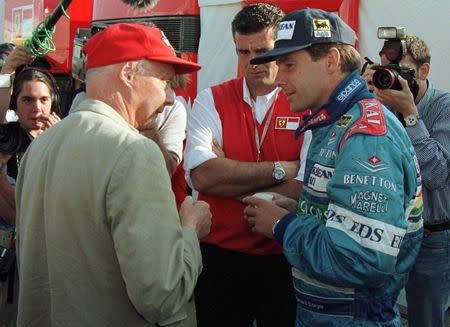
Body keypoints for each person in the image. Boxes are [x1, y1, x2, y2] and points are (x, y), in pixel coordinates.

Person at [15, 23, 211, 327]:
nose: (170, 98)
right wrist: (190, 229)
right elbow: (163, 296)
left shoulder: (41, 147)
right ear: (128, 74)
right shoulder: (134, 152)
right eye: (164, 81)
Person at [243, 8, 424, 326]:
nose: (279, 78)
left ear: (331, 60)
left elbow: (359, 258)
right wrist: (301, 208)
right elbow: (345, 219)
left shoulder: (365, 135)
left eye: (288, 65)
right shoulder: (337, 124)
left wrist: (283, 226)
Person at [184, 4, 311, 326]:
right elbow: (203, 177)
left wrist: (229, 172)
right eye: (243, 52)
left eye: (263, 51)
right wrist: (284, 168)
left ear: (281, 49)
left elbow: (305, 187)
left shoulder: (303, 102)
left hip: (282, 256)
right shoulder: (211, 98)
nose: (253, 62)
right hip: (220, 257)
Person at [367, 35, 450, 327]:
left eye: (398, 69)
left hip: (433, 238)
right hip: (389, 233)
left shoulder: (444, 106)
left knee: (425, 320)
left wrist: (410, 115)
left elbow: (437, 175)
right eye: (385, 68)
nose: (389, 77)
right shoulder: (381, 105)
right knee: (379, 314)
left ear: (423, 71)